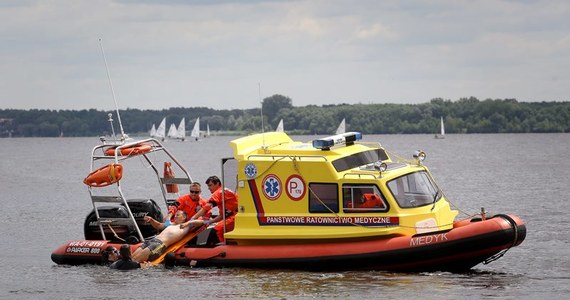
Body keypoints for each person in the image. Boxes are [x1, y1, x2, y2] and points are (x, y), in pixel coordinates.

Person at [180, 175, 238, 244]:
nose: (209, 188)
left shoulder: (218, 193)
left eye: (210, 185)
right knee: (217, 227)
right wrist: (210, 221)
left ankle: (218, 247)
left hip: (234, 217)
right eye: (192, 192)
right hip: (235, 216)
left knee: (215, 231)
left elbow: (205, 209)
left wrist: (192, 219)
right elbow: (222, 215)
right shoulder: (225, 191)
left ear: (217, 184)